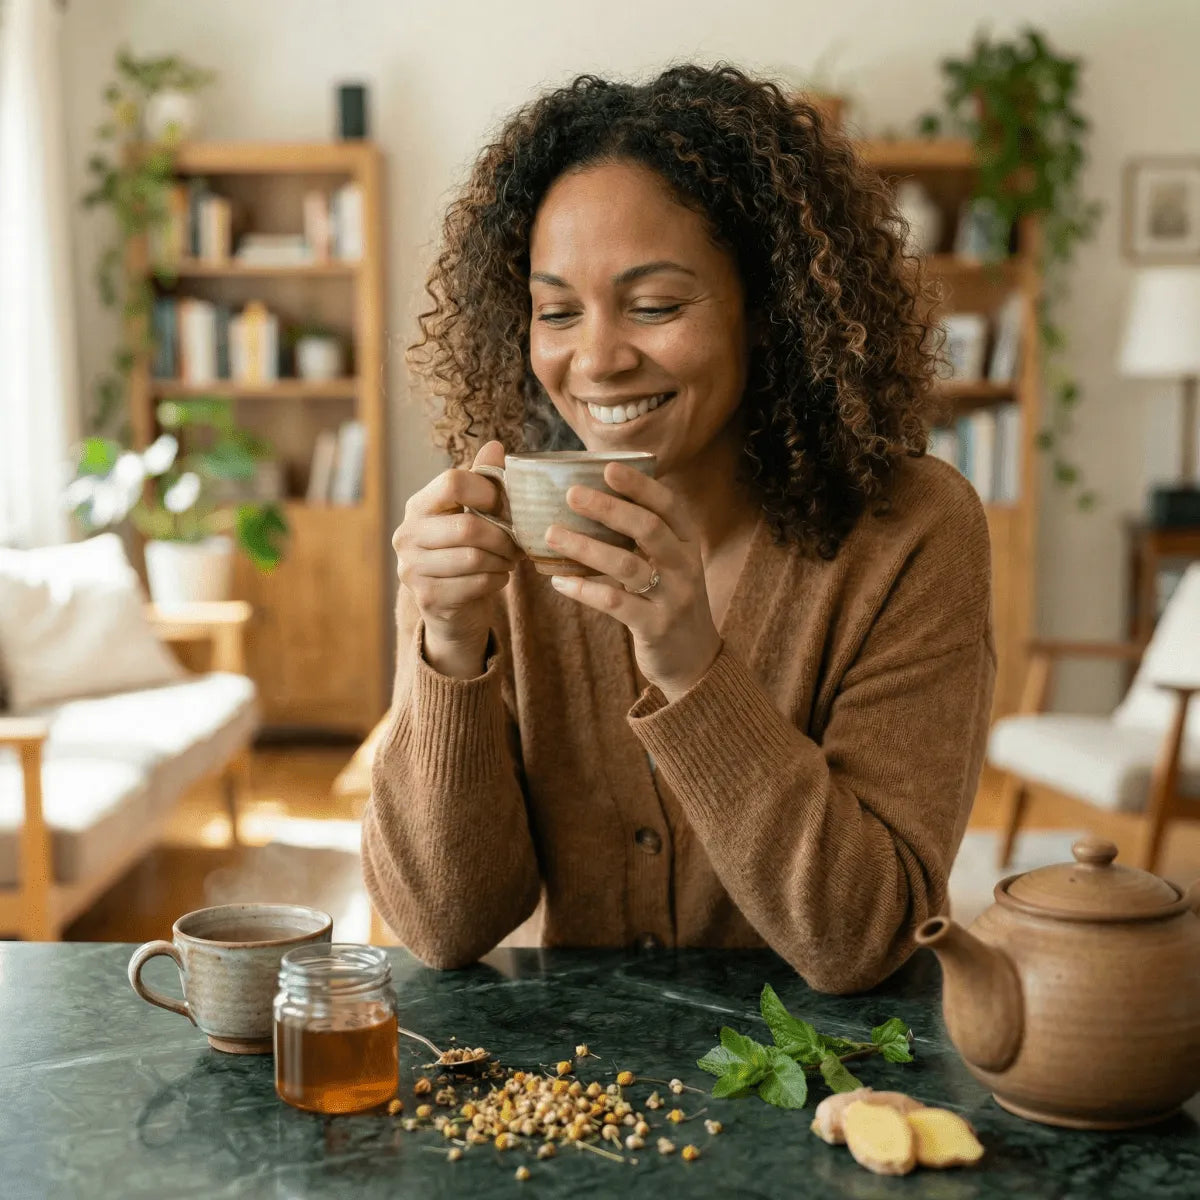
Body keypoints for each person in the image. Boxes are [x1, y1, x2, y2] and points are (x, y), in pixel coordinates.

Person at [363, 63, 995, 994]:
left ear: (771, 310)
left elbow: (864, 936)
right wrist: (448, 649)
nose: (598, 360)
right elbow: (442, 925)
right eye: (557, 311)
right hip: (580, 1092)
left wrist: (692, 665)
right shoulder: (497, 536)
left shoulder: (909, 534)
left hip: (827, 1093)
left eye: (656, 306)